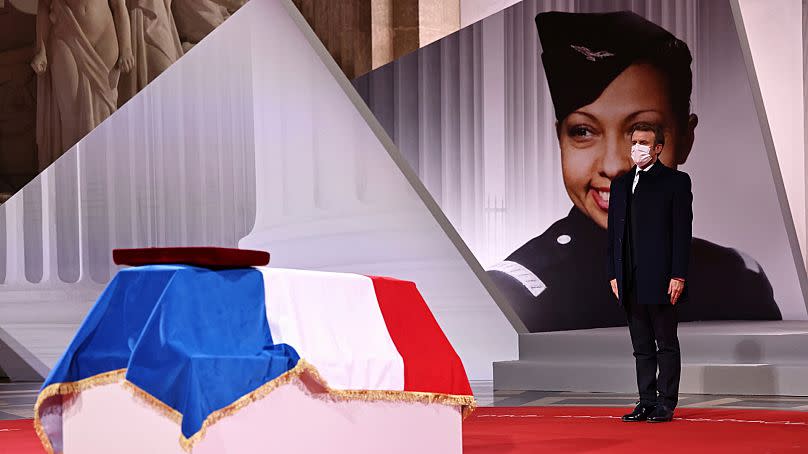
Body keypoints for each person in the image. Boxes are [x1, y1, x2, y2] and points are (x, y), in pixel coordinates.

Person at [486, 11, 781, 333]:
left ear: (685, 139)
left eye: (642, 130)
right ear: (561, 140)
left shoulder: (736, 278)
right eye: (583, 131)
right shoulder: (518, 292)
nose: (613, 166)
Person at [608, 123, 688, 423]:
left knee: (666, 342)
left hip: (662, 277)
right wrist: (614, 273)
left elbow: (682, 232)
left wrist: (678, 274)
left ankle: (666, 402)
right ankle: (646, 401)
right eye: (634, 142)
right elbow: (614, 234)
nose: (637, 148)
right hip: (629, 277)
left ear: (658, 148)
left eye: (643, 142)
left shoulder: (675, 182)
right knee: (641, 345)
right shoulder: (621, 183)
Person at [31, 0, 134, 169]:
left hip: (104, 36)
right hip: (67, 33)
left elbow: (119, 6)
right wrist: (41, 50)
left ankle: (102, 174)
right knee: (71, 115)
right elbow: (43, 6)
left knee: (105, 114)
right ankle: (74, 175)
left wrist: (127, 48)